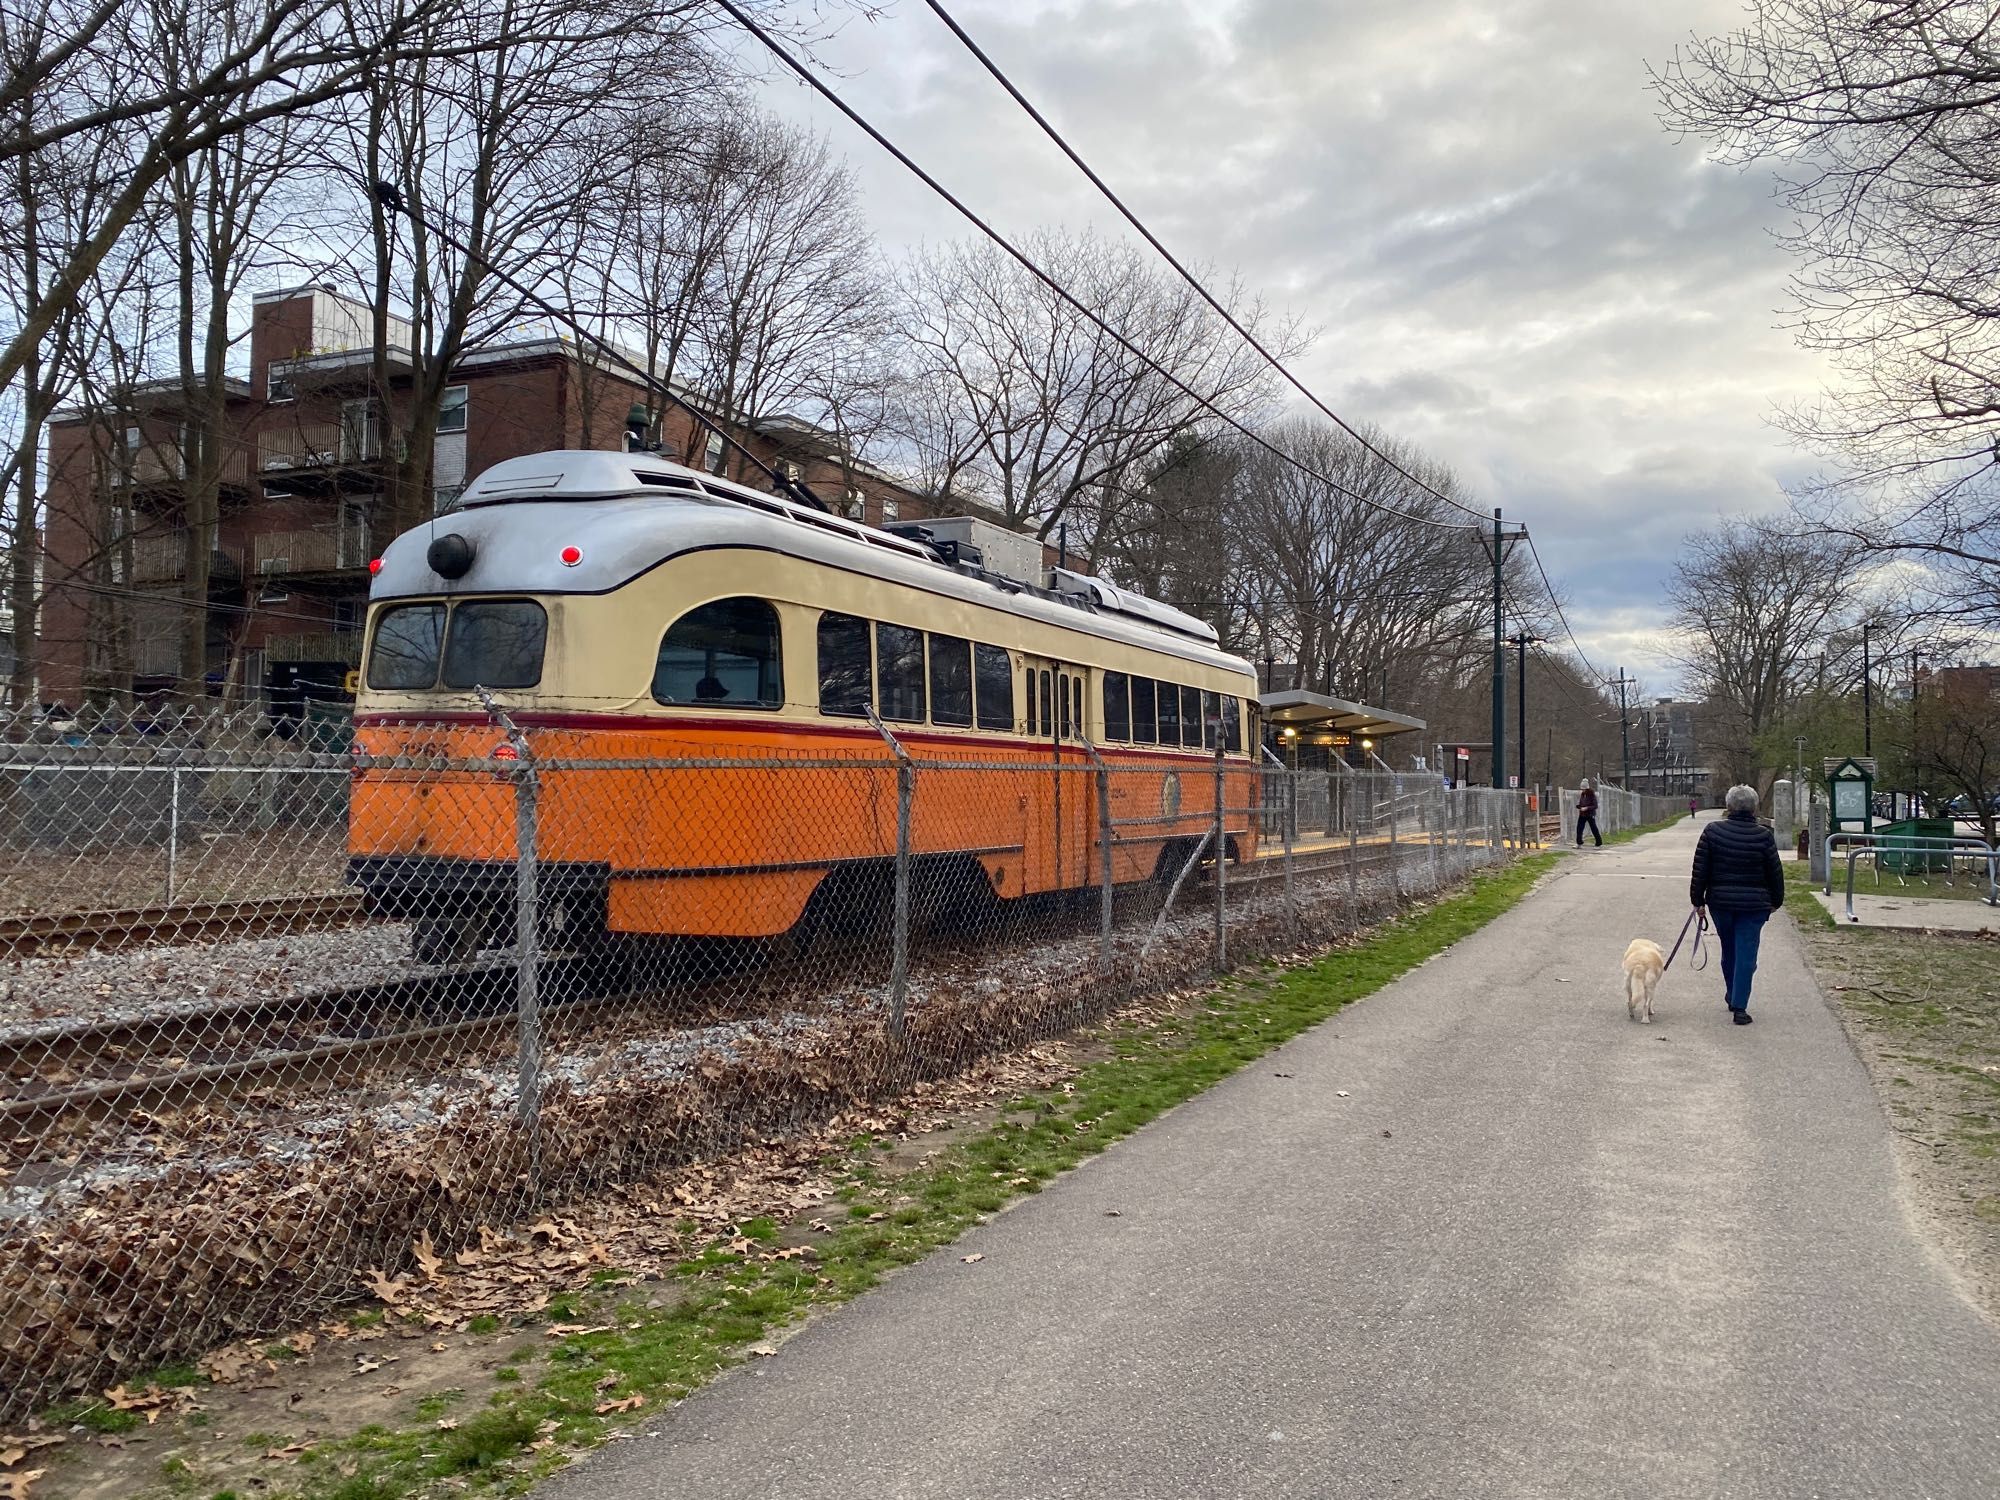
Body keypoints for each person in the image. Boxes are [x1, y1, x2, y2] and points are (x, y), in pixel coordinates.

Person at [1689, 783, 1786, 1026]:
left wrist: (1698, 901)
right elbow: (1775, 872)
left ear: (1729, 806)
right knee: (1747, 954)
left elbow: (1700, 870)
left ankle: (1733, 993)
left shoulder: (1712, 832)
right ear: (1754, 808)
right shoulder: (1764, 836)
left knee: (1729, 949)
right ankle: (1739, 1005)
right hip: (1754, 906)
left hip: (1721, 903)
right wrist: (1776, 900)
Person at [1575, 779, 1602, 847]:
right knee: (1579, 829)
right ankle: (1579, 843)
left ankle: (1598, 843)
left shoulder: (1591, 794)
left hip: (1590, 814)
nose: (1582, 790)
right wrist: (1579, 806)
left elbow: (1595, 806)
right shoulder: (1582, 794)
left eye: (1584, 789)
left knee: (1594, 828)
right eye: (1582, 789)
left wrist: (1586, 808)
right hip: (1582, 814)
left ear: (1587, 788)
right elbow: (1582, 803)